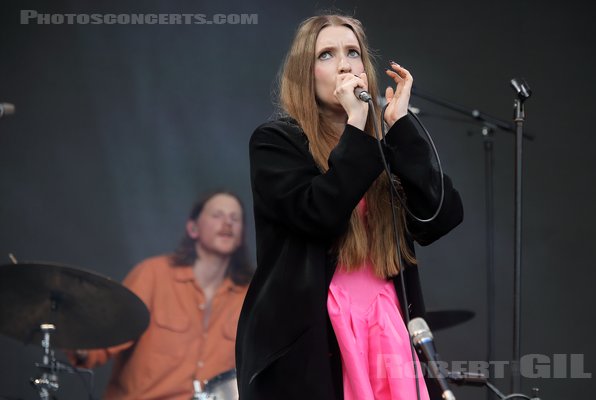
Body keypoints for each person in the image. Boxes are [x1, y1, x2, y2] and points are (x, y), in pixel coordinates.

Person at [235, 14, 464, 400]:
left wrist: (401, 127)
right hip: (315, 332)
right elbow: (318, 214)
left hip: (386, 324)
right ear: (305, 74)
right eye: (326, 55)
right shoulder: (276, 142)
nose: (344, 65)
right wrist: (357, 129)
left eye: (352, 53)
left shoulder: (383, 146)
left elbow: (442, 216)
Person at [70, 191, 253, 399]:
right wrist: (68, 328)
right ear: (193, 228)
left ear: (241, 236)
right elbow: (102, 340)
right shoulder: (153, 274)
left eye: (235, 218)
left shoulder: (250, 295)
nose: (227, 223)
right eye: (217, 215)